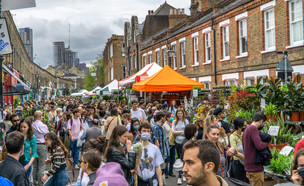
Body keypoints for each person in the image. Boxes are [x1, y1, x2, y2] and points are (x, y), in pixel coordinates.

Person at [242, 112, 269, 186]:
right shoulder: (253, 129)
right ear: (261, 121)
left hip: (249, 166)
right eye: (263, 123)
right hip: (255, 167)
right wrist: (267, 143)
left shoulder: (247, 129)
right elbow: (259, 146)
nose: (263, 125)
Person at [137, 121, 163, 186]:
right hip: (139, 182)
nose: (146, 133)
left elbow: (157, 167)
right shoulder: (134, 148)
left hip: (152, 182)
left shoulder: (155, 148)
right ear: (139, 132)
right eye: (144, 131)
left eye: (148, 131)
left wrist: (160, 182)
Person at [172, 108, 189, 184]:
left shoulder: (186, 121)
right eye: (178, 113)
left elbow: (187, 131)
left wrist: (178, 132)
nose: (179, 114)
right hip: (177, 142)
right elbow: (173, 132)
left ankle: (184, 174)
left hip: (184, 142)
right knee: (179, 158)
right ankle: (179, 176)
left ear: (183, 114)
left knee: (184, 158)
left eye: (181, 113)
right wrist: (182, 132)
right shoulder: (174, 122)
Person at [32, 111, 49, 186]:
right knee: (41, 166)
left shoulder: (32, 125)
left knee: (35, 165)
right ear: (40, 116)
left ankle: (35, 181)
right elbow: (47, 135)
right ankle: (40, 183)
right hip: (42, 145)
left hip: (34, 145)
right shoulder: (43, 126)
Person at [229, 117, 248, 183]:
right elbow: (235, 152)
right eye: (244, 126)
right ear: (239, 126)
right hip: (238, 163)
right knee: (240, 182)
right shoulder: (233, 137)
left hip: (245, 163)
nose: (245, 127)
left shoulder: (243, 134)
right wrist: (246, 158)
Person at [151, 112, 169, 179]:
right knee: (158, 171)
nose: (165, 119)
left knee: (161, 171)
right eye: (164, 117)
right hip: (159, 153)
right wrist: (158, 154)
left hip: (163, 152)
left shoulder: (161, 127)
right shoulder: (156, 127)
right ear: (162, 118)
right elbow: (156, 141)